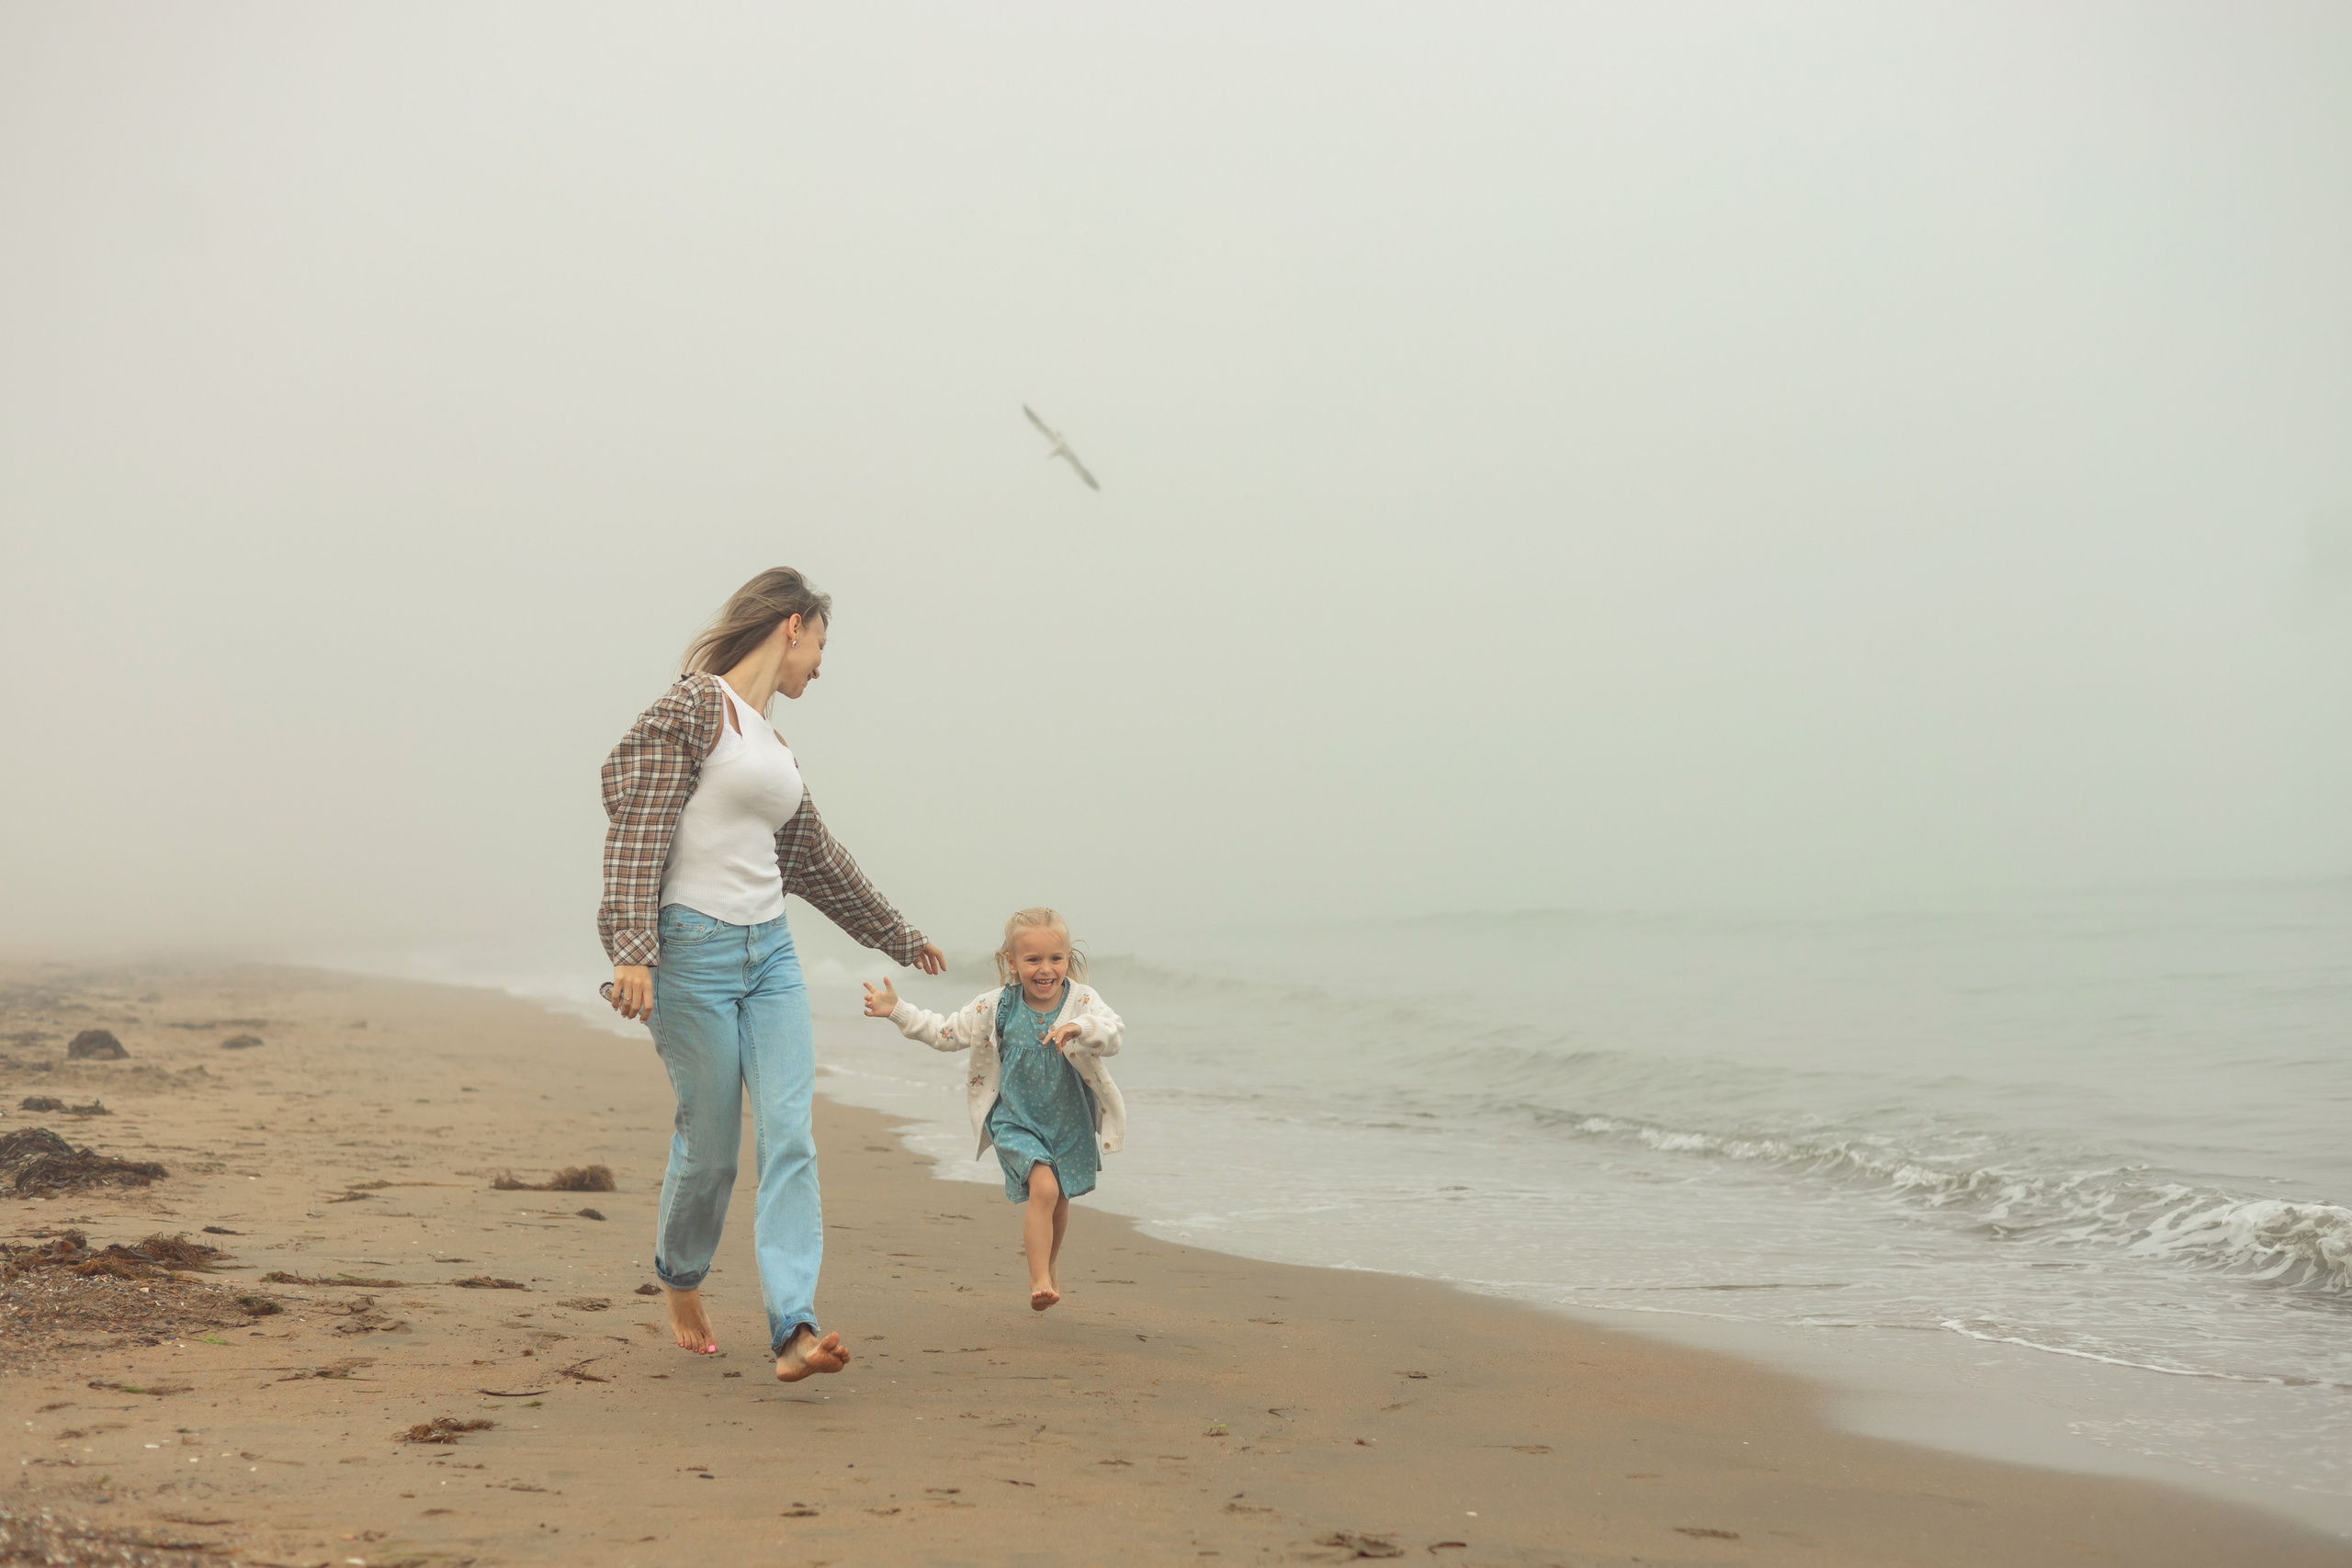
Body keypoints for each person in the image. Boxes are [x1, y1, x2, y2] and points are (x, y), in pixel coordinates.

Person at [597, 566, 944, 1382]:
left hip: (773, 956)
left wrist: (897, 934)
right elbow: (636, 815)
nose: (820, 665)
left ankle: (795, 1327)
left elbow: (817, 859)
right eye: (820, 644)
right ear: (792, 625)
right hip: (691, 952)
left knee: (791, 1134)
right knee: (713, 1144)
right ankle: (681, 1274)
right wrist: (631, 947)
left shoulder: (775, 747)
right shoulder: (697, 705)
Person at [862, 908, 1125, 1311]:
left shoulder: (1082, 1001)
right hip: (1016, 1118)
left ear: (1067, 958)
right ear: (1012, 962)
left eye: (1055, 958)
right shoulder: (996, 1007)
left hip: (1068, 1119)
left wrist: (1081, 1027)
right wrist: (898, 1010)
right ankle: (1038, 1279)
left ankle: (1050, 1264)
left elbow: (1113, 1033)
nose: (1046, 969)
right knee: (1044, 1188)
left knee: (1060, 1199)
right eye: (1033, 959)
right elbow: (945, 1033)